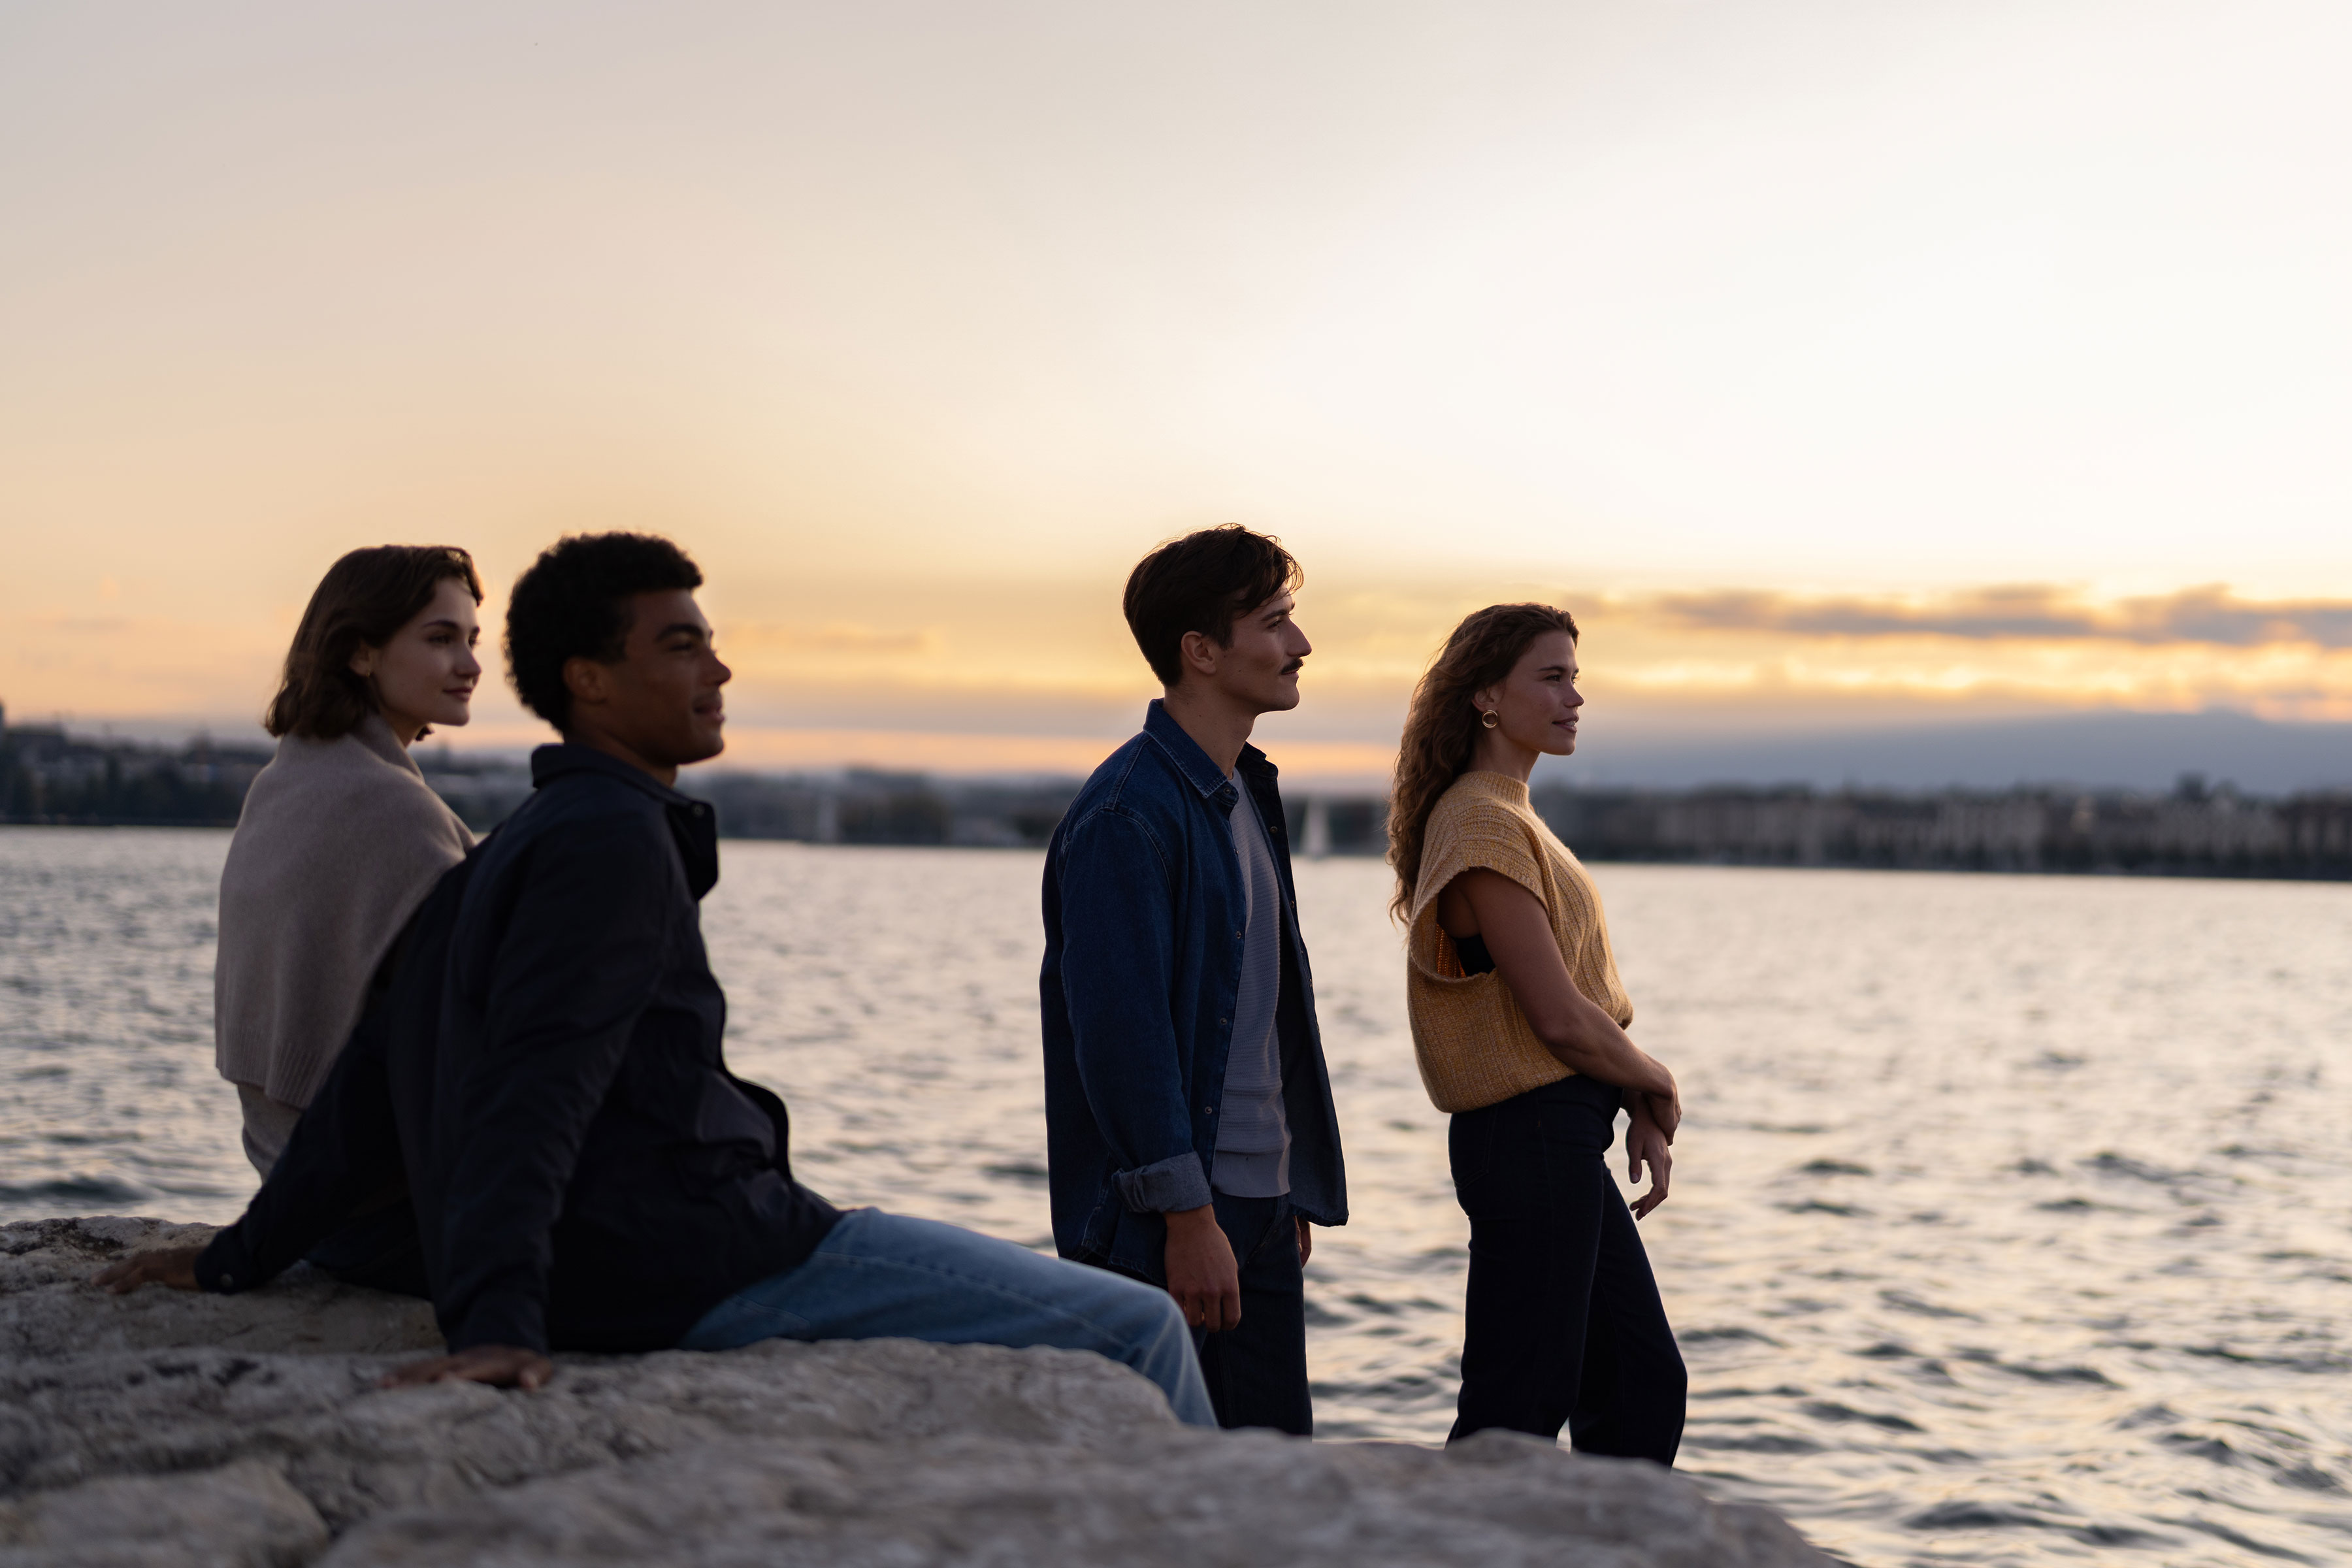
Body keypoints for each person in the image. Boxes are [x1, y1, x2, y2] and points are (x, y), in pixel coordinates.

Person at [98, 531, 1212, 1427]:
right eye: (681, 646)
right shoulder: (606, 844)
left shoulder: (538, 828)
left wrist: (243, 1256)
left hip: (651, 1237)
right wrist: (497, 1327)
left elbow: (374, 1070)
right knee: (1141, 1332)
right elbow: (534, 1089)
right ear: (590, 679)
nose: (719, 670)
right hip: (684, 1257)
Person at [1040, 525, 1348, 1435]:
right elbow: (1122, 1038)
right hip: (1163, 1227)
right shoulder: (1128, 815)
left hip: (1255, 1210)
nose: (1299, 645)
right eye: (1275, 621)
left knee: (1272, 1494)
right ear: (1201, 652)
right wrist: (1189, 1218)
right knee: (1162, 1499)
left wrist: (1279, 1188)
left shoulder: (1243, 792)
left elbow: (1256, 1022)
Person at [1388, 602, 1686, 1462]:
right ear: (1485, 697)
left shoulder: (1507, 815)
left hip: (1558, 1141)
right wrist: (1655, 1082)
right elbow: (1558, 1016)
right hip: (1529, 1141)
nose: (1574, 698)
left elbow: (1570, 1015)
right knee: (1516, 1409)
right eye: (1550, 678)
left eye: (1576, 679)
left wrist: (1631, 1090)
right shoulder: (1482, 822)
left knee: (1638, 1383)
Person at [217, 546, 481, 1181]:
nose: (471, 664)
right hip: (376, 1206)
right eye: (442, 638)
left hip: (285, 1182)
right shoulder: (396, 811)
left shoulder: (281, 783)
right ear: (361, 652)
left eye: (474, 639)